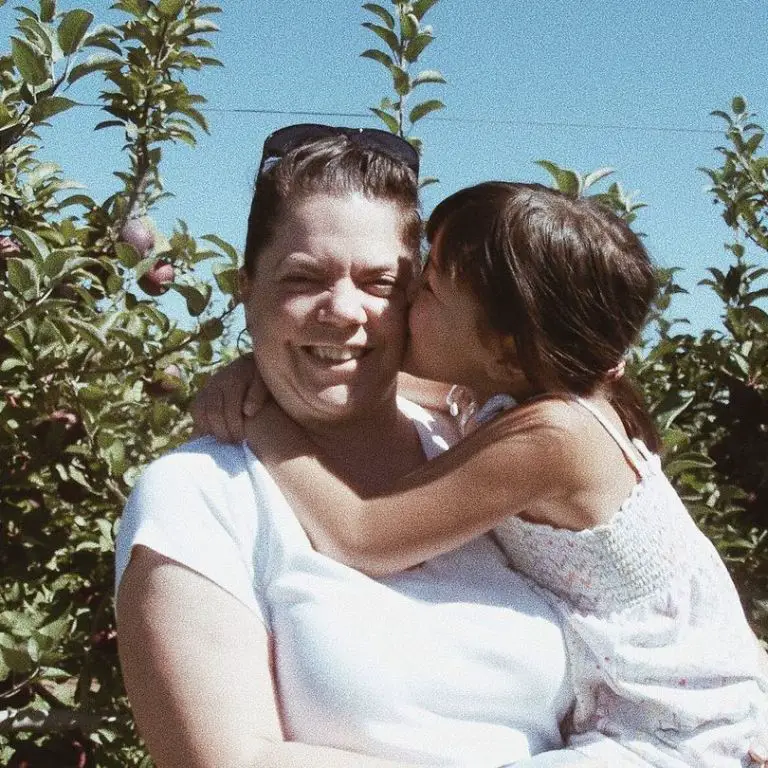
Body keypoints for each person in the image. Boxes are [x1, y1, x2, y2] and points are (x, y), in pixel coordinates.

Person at [212, 180, 768, 767]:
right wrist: (266, 365)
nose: (404, 304)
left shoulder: (554, 438)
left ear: (504, 349)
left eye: (426, 289)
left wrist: (263, 420)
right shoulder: (531, 397)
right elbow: (373, 383)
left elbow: (363, 535)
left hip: (679, 742)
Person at [115, 126, 611, 768]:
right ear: (246, 288)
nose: (345, 309)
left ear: (419, 300)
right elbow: (223, 759)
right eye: (303, 278)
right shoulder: (199, 494)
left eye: (381, 282)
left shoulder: (480, 446)